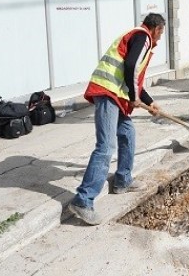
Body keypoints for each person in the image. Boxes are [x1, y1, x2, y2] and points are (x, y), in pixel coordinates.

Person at [68, 13, 166, 225]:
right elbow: (130, 66)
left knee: (127, 132)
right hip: (108, 93)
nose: (159, 39)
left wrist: (149, 103)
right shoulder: (143, 37)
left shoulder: (139, 38)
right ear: (156, 29)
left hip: (116, 94)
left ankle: (122, 180)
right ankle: (83, 200)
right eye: (161, 34)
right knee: (106, 146)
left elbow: (135, 80)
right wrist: (133, 98)